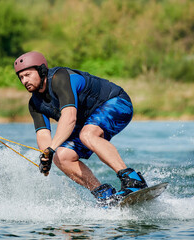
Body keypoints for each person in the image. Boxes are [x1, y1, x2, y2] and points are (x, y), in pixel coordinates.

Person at [13, 51, 148, 207]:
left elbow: (69, 117)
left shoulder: (60, 78)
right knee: (61, 157)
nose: (24, 81)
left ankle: (133, 179)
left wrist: (51, 148)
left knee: (88, 134)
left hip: (116, 103)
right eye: (21, 77)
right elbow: (43, 134)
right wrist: (47, 156)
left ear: (42, 70)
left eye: (28, 75)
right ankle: (104, 195)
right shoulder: (34, 104)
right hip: (87, 122)